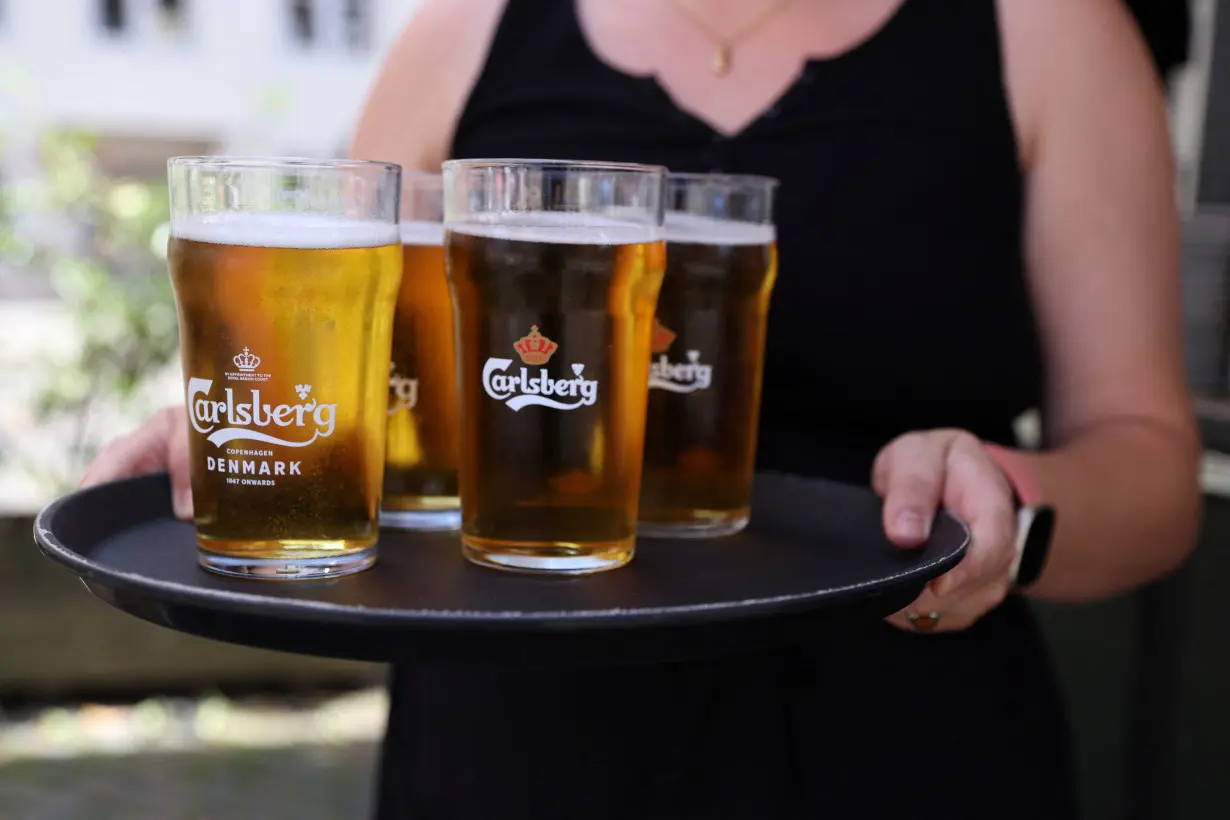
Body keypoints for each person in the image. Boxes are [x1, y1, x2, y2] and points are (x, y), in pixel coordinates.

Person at [83, 0, 1202, 817]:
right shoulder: (462, 30)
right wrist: (259, 426)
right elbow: (348, 344)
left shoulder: (1049, 30)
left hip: (904, 731)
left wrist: (1009, 500)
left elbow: (1152, 469)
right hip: (514, 740)